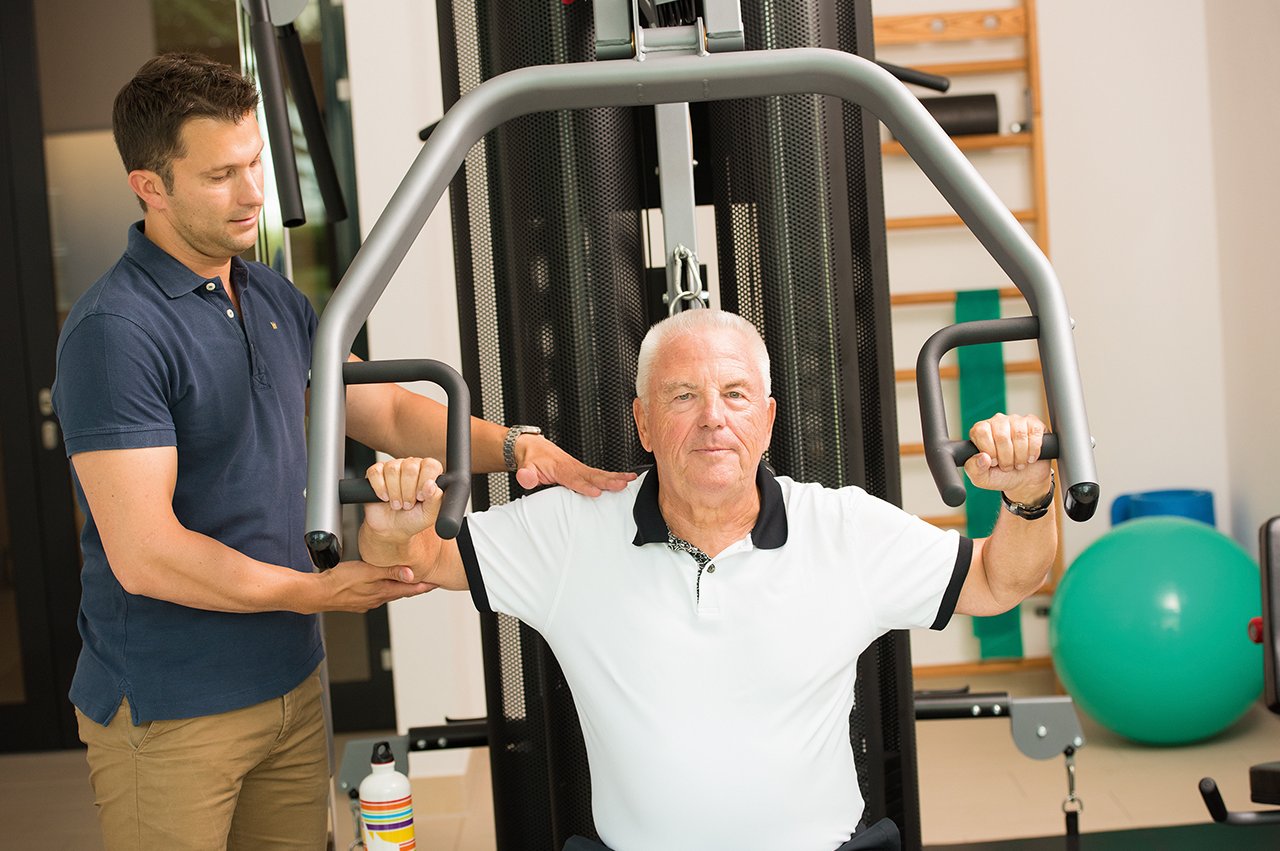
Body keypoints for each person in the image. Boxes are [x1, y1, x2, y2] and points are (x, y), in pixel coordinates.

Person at [50, 52, 633, 851]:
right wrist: (315, 592)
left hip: (289, 682)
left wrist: (523, 446)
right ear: (150, 186)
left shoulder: (267, 296)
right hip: (173, 706)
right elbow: (147, 554)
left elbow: (385, 407)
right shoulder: (116, 332)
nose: (255, 192)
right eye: (222, 175)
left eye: (256, 162)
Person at [359, 308, 1059, 851]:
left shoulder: (843, 530)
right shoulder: (573, 532)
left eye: (734, 393)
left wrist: (1029, 493)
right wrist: (394, 516)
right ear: (644, 422)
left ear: (768, 419)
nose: (713, 418)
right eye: (684, 395)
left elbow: (1000, 580)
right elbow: (419, 555)